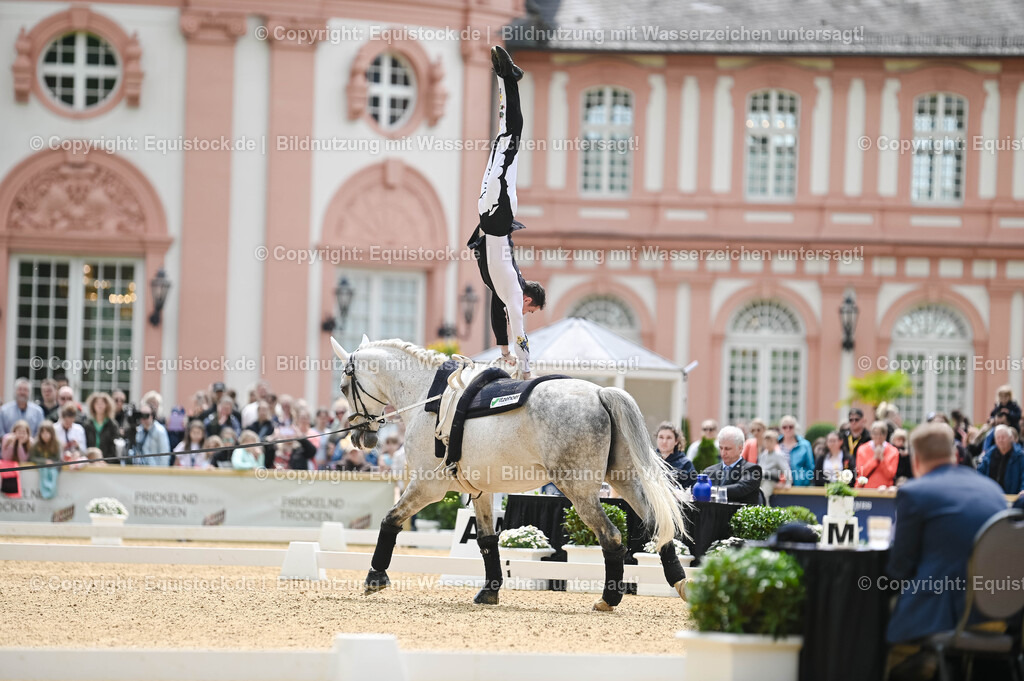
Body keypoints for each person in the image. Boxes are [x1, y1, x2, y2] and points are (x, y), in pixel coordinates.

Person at [885, 423, 1007, 672]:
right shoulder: (993, 490)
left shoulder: (914, 492)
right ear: (954, 454)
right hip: (1002, 611)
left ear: (916, 459)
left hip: (944, 614)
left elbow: (900, 567)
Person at [466, 45, 546, 379]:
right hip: (497, 215)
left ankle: (503, 78)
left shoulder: (504, 293)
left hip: (490, 214)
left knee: (504, 136)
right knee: (510, 137)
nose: (526, 313)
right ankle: (508, 78)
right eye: (532, 309)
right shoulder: (514, 290)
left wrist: (502, 351)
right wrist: (525, 367)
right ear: (528, 300)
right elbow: (520, 331)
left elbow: (500, 315)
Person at [701, 425, 763, 505]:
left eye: (727, 449)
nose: (723, 453)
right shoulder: (709, 471)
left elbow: (739, 489)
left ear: (740, 448)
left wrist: (710, 490)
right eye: (721, 448)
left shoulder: (753, 470)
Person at [977, 424, 1024, 494]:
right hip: (991, 495)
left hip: (1013, 498)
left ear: (1010, 438)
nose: (1001, 440)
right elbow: (980, 473)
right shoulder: (989, 454)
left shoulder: (1020, 455)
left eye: (1003, 437)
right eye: (998, 438)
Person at [855, 420, 900, 488]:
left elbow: (891, 475)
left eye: (882, 433)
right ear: (871, 434)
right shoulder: (862, 449)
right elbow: (861, 473)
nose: (878, 436)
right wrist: (874, 459)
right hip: (865, 489)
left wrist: (882, 460)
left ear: (886, 435)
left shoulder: (893, 451)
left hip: (885, 490)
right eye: (875, 433)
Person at [654, 422, 696, 488]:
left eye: (669, 438)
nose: (664, 441)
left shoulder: (686, 464)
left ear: (676, 441)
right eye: (661, 437)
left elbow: (691, 490)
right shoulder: (650, 460)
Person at [778, 415, 814, 486]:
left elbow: (810, 466)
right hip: (779, 485)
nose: (788, 429)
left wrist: (804, 480)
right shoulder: (776, 444)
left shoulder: (805, 445)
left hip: (799, 485)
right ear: (781, 429)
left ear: (795, 428)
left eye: (791, 427)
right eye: (784, 427)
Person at [83, 392, 119, 462]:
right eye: (97, 403)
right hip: (90, 462)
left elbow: (114, 447)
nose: (100, 406)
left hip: (107, 463)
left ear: (107, 405)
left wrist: (105, 461)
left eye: (102, 403)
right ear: (93, 405)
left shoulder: (112, 425)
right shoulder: (87, 424)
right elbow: (85, 445)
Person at [758, 429, 791, 503]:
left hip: (771, 480)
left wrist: (788, 482)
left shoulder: (778, 455)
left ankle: (766, 512)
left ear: (775, 442)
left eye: (770, 441)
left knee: (764, 495)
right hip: (761, 479)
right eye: (766, 441)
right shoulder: (763, 454)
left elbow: (786, 469)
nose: (768, 443)